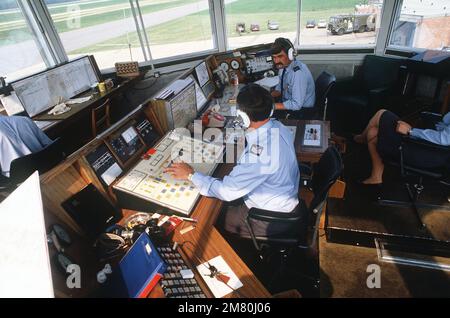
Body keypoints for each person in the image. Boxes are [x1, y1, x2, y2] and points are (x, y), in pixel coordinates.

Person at [165, 84, 302, 237]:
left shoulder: (260, 155)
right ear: (270, 110)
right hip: (284, 197)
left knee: (211, 217)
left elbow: (227, 192)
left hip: (269, 218)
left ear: (243, 117)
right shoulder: (278, 126)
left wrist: (191, 175)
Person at [354, 109, 450, 185]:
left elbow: (444, 139)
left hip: (428, 153)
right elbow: (445, 122)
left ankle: (360, 139)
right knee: (373, 133)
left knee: (382, 114)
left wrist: (411, 131)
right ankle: (376, 177)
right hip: (431, 150)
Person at [271, 37, 315, 112]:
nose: (276, 61)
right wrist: (265, 97)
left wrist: (270, 106)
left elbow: (296, 105)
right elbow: (280, 88)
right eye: (274, 57)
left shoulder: (298, 74)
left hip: (302, 111)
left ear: (290, 55)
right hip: (287, 103)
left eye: (280, 56)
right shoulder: (283, 66)